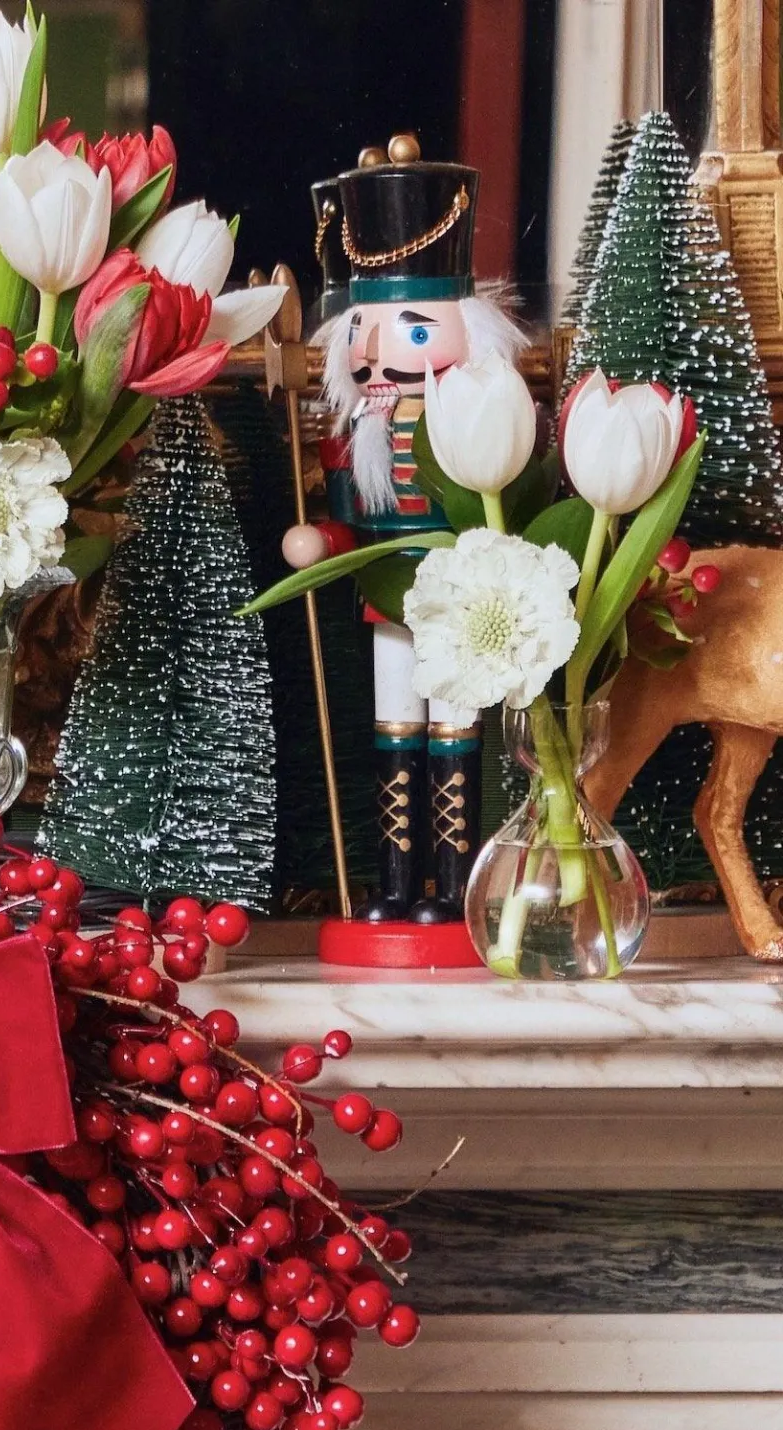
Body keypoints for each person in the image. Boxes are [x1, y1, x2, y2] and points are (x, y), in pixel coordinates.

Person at [284, 138, 526, 925]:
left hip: (463, 607)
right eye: (365, 335)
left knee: (453, 734)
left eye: (412, 331)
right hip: (388, 606)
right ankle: (395, 885)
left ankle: (452, 890)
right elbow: (353, 523)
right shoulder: (358, 435)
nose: (379, 357)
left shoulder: (480, 417)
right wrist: (322, 541)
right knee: (397, 734)